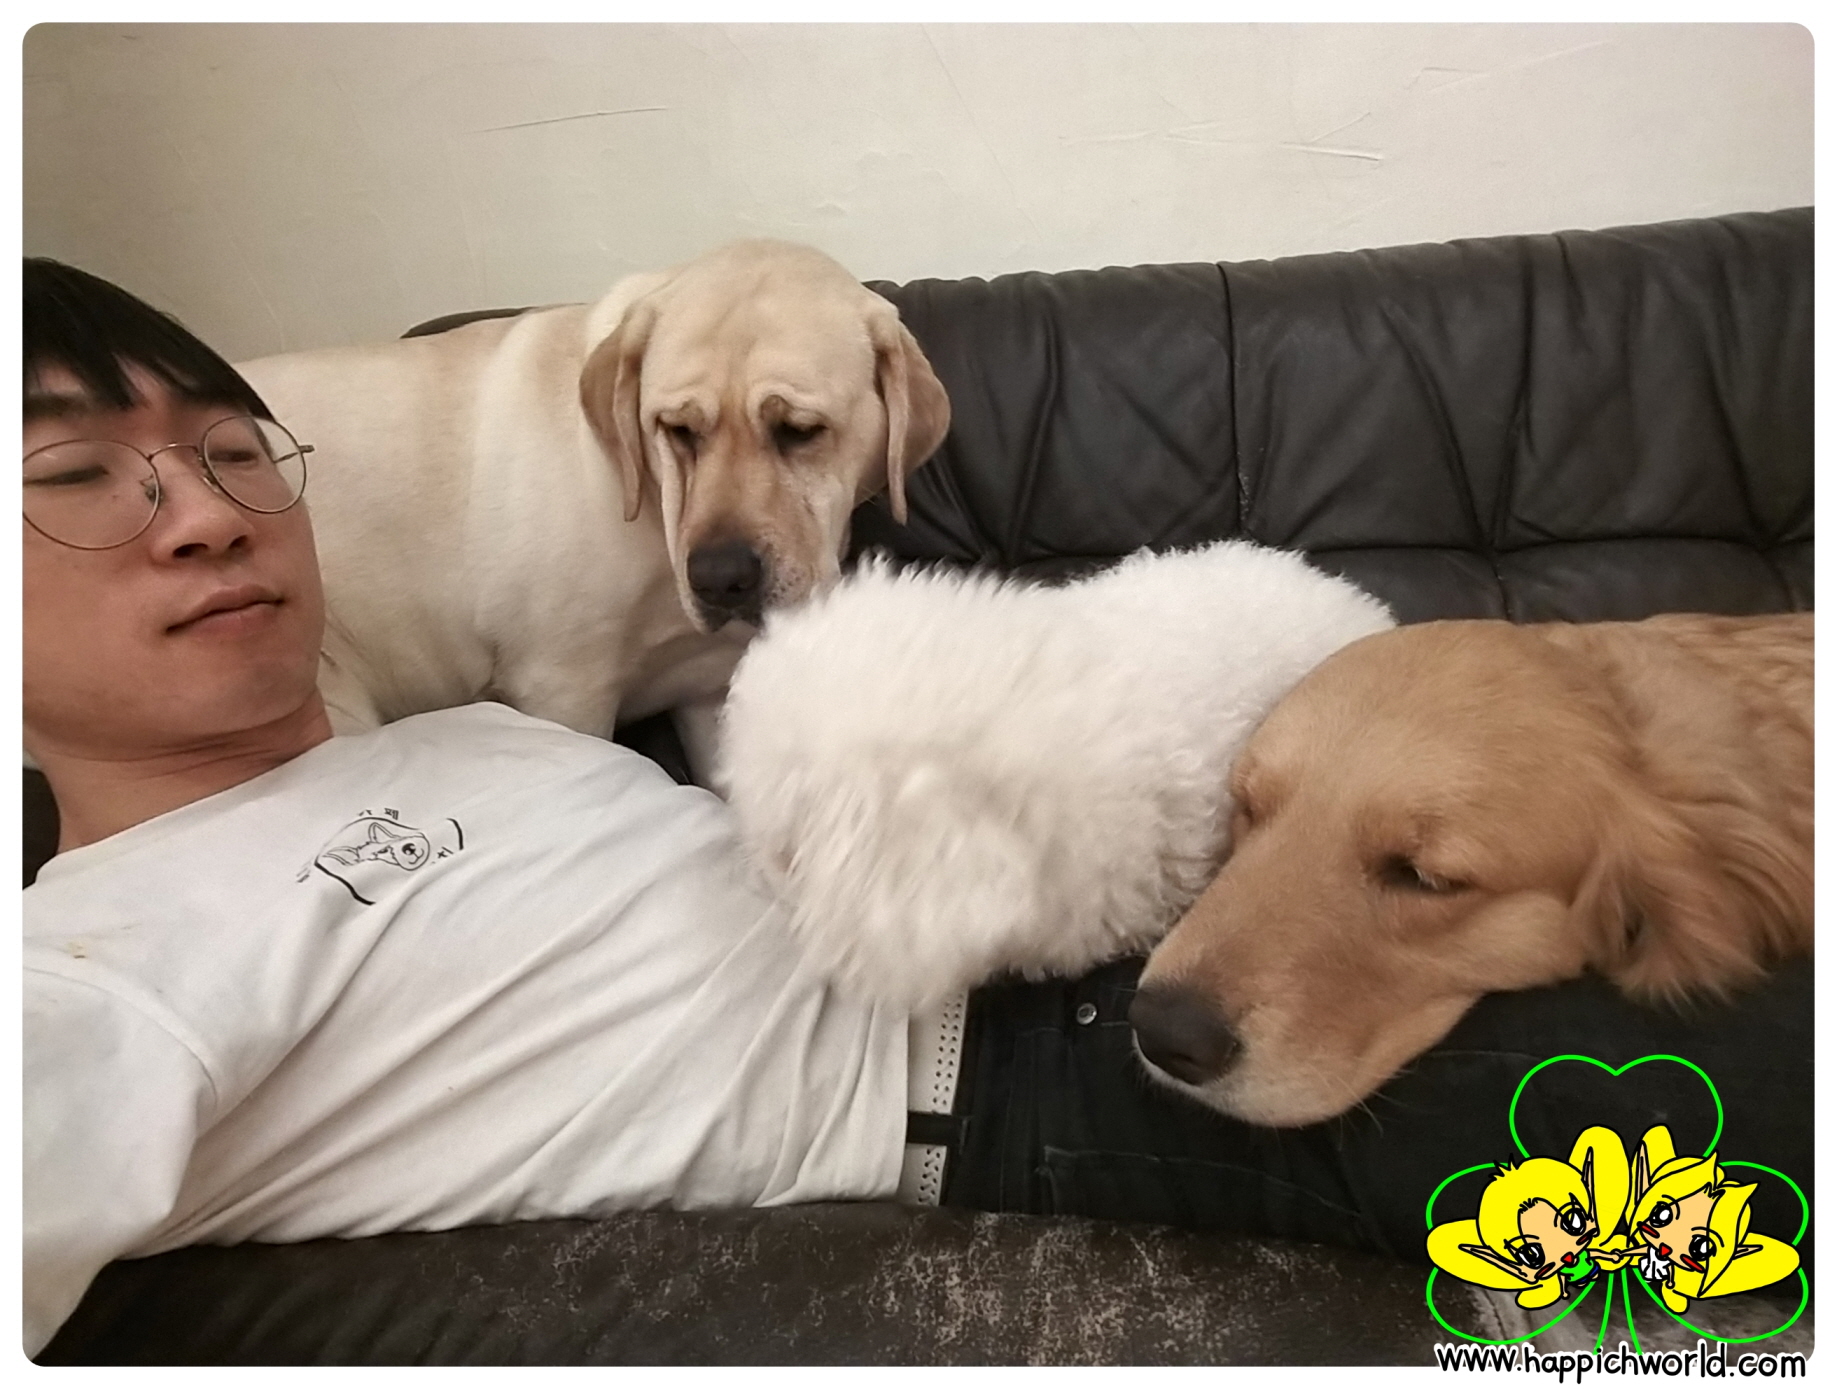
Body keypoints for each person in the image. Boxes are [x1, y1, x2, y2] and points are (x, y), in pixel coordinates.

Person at [23, 259, 1812, 1359]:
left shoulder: (462, 738)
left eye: (235, 452)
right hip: (1032, 1086)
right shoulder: (98, 966)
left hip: (1102, 886)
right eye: (83, 478)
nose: (207, 514)